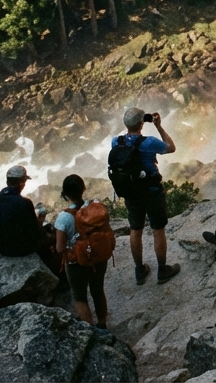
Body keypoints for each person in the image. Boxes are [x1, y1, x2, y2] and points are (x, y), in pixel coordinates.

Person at [111, 107, 181, 285]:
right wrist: (159, 126)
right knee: (158, 229)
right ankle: (162, 270)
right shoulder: (149, 143)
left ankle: (139, 270)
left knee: (136, 229)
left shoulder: (115, 142)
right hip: (151, 192)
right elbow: (171, 147)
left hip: (131, 193)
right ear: (143, 123)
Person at [54, 174, 108, 329]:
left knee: (80, 298)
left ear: (65, 194)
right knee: (98, 291)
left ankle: (91, 330)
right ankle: (103, 324)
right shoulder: (95, 208)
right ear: (83, 188)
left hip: (76, 263)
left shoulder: (63, 218)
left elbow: (59, 248)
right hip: (98, 256)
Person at [0, 165, 60, 274]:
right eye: (24, 181)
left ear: (7, 181)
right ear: (21, 182)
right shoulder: (24, 203)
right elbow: (36, 232)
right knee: (53, 237)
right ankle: (59, 276)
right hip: (19, 250)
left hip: (0, 247)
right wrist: (42, 221)